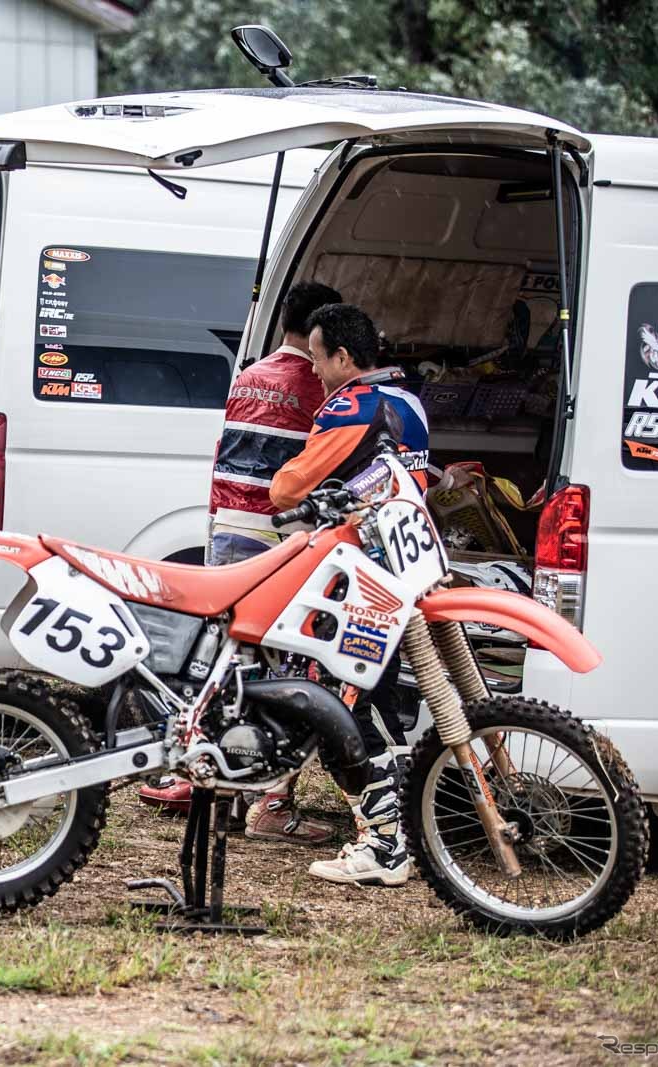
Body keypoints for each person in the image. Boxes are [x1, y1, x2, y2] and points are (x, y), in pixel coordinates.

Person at [138, 281, 341, 845]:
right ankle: (271, 802)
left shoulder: (248, 376)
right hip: (279, 542)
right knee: (290, 673)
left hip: (227, 531)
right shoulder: (320, 386)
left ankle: (211, 781)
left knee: (231, 665)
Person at [273, 302, 430, 887]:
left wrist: (291, 484)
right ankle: (398, 834)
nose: (313, 370)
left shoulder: (351, 405)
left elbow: (288, 487)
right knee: (379, 701)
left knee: (343, 704)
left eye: (317, 359)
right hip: (402, 563)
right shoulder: (410, 401)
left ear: (343, 357)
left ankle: (384, 845)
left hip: (359, 573)